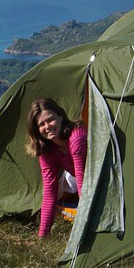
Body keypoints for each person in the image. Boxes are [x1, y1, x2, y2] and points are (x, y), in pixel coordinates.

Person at [25, 97, 87, 239]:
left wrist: (84, 230)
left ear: (60, 116)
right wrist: (43, 235)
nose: (47, 126)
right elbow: (49, 192)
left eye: (50, 119)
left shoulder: (76, 138)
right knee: (58, 189)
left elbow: (84, 186)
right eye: (41, 124)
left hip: (103, 178)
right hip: (81, 181)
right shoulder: (48, 150)